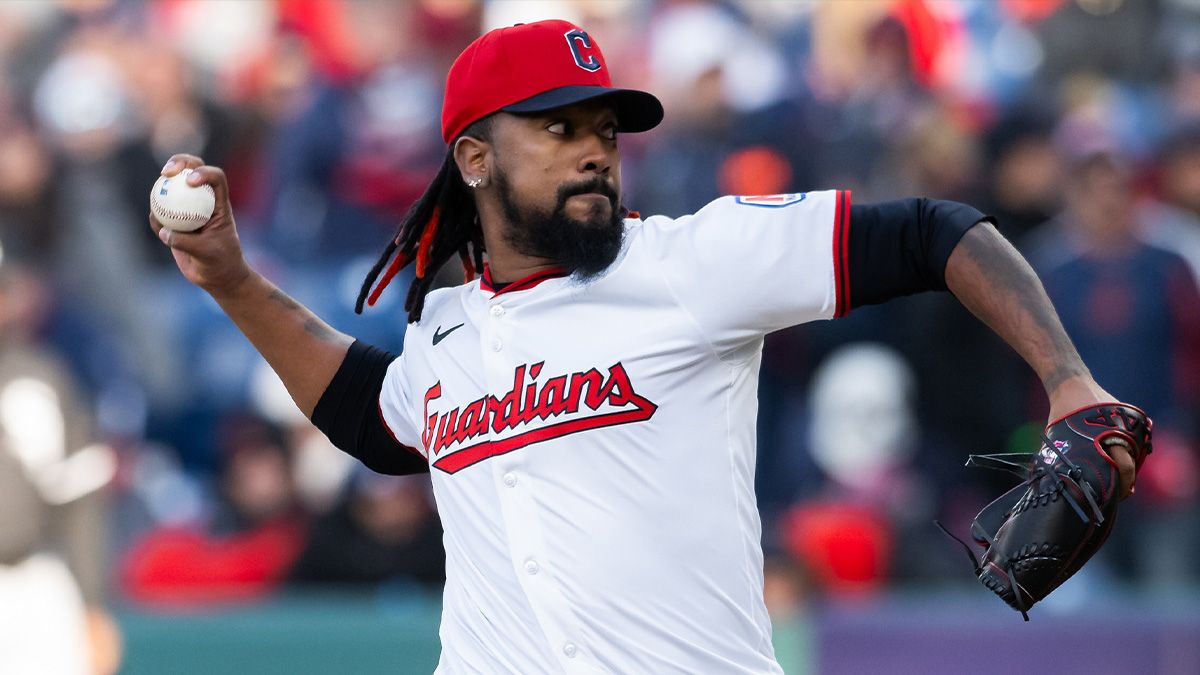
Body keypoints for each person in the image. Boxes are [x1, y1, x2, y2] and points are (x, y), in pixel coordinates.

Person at [151, 20, 1142, 675]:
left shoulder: (692, 263)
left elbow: (933, 230)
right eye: (558, 127)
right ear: (474, 157)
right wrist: (234, 282)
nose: (593, 147)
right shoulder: (447, 329)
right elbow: (376, 415)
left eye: (606, 130)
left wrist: (1067, 380)